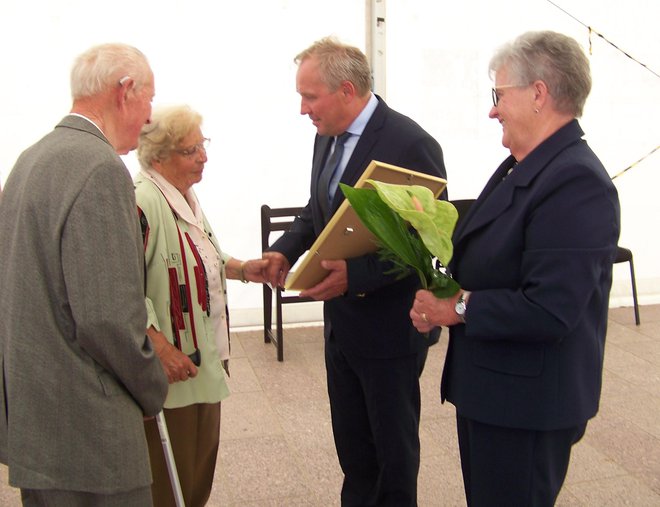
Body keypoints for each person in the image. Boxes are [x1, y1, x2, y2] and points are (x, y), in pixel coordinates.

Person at [410, 31, 621, 506]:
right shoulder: (524, 165)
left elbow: (551, 309)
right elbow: (492, 260)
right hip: (496, 392)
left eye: (499, 95)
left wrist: (457, 308)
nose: (493, 109)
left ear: (539, 94)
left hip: (527, 405)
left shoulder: (575, 182)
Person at [263, 36, 446, 506]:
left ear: (346, 90)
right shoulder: (327, 136)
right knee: (354, 451)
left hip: (388, 330)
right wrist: (285, 249)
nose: (303, 109)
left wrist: (358, 276)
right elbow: (318, 210)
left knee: (393, 454)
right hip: (340, 328)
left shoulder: (410, 143)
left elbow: (424, 243)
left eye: (309, 96)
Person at [0, 43, 169, 506]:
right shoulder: (99, 168)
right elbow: (107, 318)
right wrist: (152, 384)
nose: (149, 118)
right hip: (90, 434)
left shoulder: (30, 159)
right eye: (149, 100)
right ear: (125, 91)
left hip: (38, 421)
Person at [135, 104, 268, 507]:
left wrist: (246, 269)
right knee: (171, 481)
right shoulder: (143, 202)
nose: (204, 157)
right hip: (174, 366)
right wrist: (160, 347)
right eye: (191, 151)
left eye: (202, 146)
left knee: (197, 475)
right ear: (160, 158)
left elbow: (206, 256)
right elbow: (124, 287)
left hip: (203, 358)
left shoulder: (185, 197)